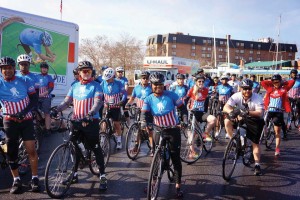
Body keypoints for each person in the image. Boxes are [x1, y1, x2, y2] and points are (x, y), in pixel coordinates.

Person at [51, 61, 107, 190]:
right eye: (83, 71)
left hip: (91, 121)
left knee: (95, 147)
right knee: (74, 148)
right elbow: (67, 102)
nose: (86, 73)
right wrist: (57, 109)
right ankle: (74, 174)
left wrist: (91, 113)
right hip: (76, 121)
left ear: (91, 72)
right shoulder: (74, 86)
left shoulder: (96, 86)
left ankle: (103, 175)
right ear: (79, 73)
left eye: (88, 71)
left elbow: (98, 102)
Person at [140, 72, 188, 198]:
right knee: (156, 156)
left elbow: (183, 109)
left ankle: (178, 186)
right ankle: (153, 182)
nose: (158, 87)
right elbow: (144, 113)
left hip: (173, 129)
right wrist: (144, 122)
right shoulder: (148, 98)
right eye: (155, 84)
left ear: (164, 84)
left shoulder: (171, 95)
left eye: (160, 84)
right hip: (158, 130)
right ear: (151, 85)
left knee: (175, 157)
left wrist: (184, 121)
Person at [0, 56, 40, 193]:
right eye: (4, 68)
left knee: (31, 150)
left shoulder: (25, 80)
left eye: (9, 68)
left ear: (14, 69)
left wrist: (24, 112)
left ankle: (35, 178)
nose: (7, 71)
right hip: (9, 121)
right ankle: (16, 180)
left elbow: (34, 99)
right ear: (1, 70)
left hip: (26, 120)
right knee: (11, 152)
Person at [223, 79, 264, 176]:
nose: (247, 91)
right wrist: (231, 112)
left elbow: (260, 113)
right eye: (245, 89)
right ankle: (232, 140)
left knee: (255, 143)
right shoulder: (236, 95)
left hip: (255, 119)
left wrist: (247, 112)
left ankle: (257, 165)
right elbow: (226, 107)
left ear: (251, 89)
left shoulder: (257, 97)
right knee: (227, 120)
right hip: (241, 116)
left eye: (249, 89)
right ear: (241, 89)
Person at [261, 74, 295, 155]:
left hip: (278, 112)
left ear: (280, 82)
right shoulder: (270, 88)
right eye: (274, 82)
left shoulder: (284, 89)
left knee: (277, 131)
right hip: (269, 110)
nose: (276, 83)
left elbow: (292, 81)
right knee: (263, 124)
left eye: (278, 82)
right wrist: (272, 81)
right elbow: (263, 82)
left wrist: (283, 82)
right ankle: (265, 134)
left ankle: (277, 149)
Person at [126, 71, 154, 155]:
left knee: (148, 130)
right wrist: (128, 104)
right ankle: (136, 145)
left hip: (148, 111)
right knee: (138, 128)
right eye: (143, 78)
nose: (145, 79)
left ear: (149, 79)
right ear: (141, 79)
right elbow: (132, 98)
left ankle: (153, 147)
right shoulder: (136, 88)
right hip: (138, 110)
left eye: (146, 78)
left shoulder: (152, 87)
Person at [100, 67, 127, 150]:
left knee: (116, 124)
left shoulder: (118, 83)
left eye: (108, 79)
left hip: (116, 106)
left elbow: (124, 93)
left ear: (112, 77)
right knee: (103, 122)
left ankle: (119, 141)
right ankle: (103, 138)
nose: (106, 80)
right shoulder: (103, 83)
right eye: (106, 79)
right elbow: (99, 93)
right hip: (106, 106)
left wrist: (122, 101)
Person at [186, 75, 217, 143]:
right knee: (193, 133)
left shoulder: (205, 90)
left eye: (203, 81)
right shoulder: (191, 89)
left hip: (201, 113)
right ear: (196, 82)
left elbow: (212, 92)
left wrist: (214, 93)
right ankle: (192, 151)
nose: (201, 83)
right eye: (199, 81)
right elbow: (186, 99)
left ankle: (205, 134)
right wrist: (187, 107)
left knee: (213, 119)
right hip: (193, 113)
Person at [36, 62, 54, 134]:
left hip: (46, 97)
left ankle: (48, 129)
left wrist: (44, 94)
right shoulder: (36, 76)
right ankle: (40, 124)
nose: (44, 69)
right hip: (37, 97)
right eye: (43, 68)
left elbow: (51, 88)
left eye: (45, 68)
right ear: (40, 69)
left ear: (47, 69)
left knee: (47, 113)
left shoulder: (49, 77)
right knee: (36, 111)